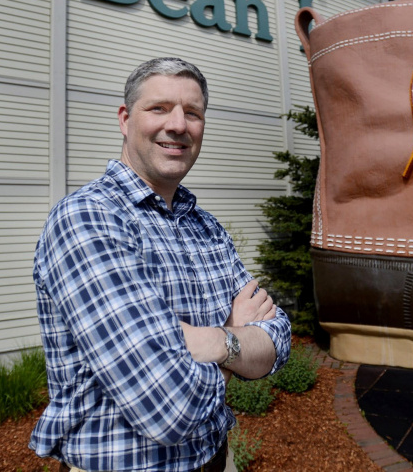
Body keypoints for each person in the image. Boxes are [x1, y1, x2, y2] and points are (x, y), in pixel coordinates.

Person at [29, 57, 291, 472]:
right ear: (124, 119)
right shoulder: (89, 219)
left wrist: (214, 342)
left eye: (193, 113)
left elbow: (279, 338)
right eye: (159, 109)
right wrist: (238, 338)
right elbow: (167, 406)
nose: (178, 125)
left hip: (218, 459)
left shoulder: (204, 225)